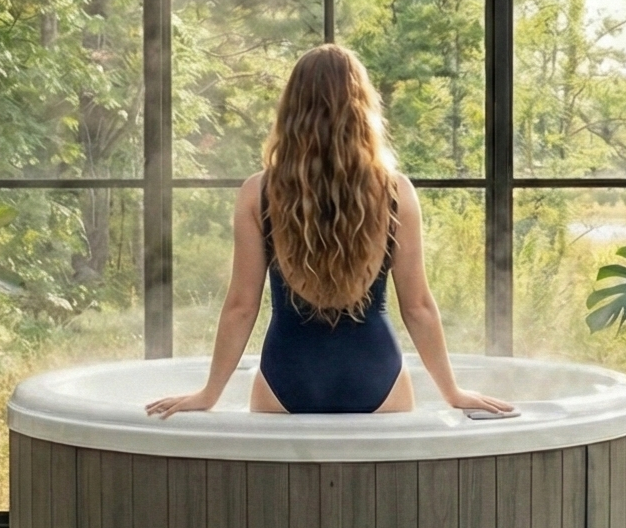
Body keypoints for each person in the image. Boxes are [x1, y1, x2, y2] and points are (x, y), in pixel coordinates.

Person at [146, 44, 513, 419]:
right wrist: (451, 392)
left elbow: (241, 307)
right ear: (362, 109)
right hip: (377, 378)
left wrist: (210, 393)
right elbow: (417, 307)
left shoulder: (257, 194)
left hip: (285, 379)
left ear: (291, 109)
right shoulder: (395, 192)